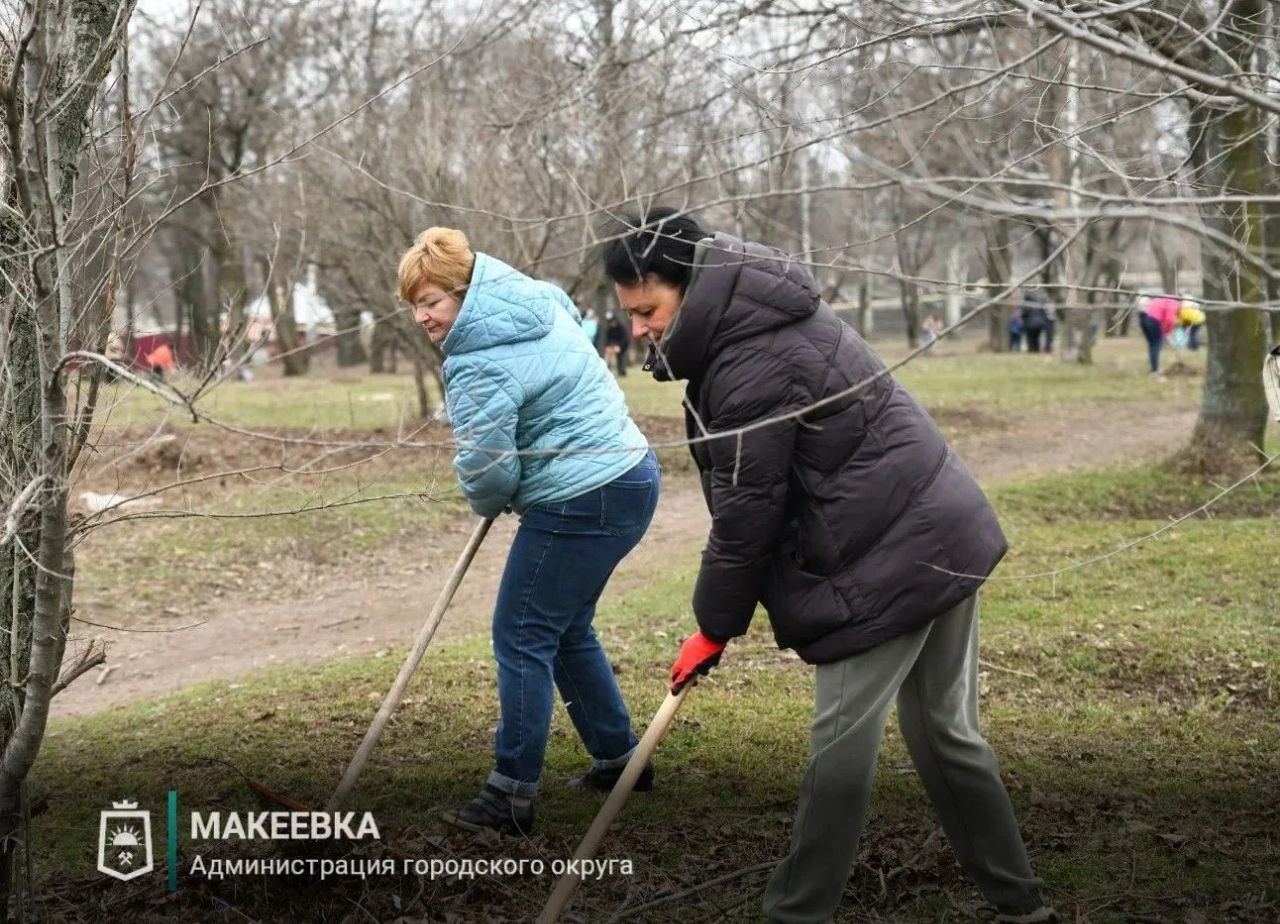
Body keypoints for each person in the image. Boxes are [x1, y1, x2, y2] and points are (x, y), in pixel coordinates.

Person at [603, 208, 1056, 924]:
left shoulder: (750, 360)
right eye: (629, 314)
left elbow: (749, 513)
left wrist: (711, 627)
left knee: (837, 756)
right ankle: (1021, 905)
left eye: (649, 310)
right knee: (947, 735)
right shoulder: (756, 318)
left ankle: (797, 912)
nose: (638, 329)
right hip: (939, 532)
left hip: (887, 561)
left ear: (691, 288)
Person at [397, 227, 660, 835]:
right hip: (631, 475)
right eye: (414, 303)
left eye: (432, 301)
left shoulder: (476, 361)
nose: (421, 317)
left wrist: (490, 492)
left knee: (521, 633)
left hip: (582, 496)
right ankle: (622, 761)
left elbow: (489, 469)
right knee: (562, 626)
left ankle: (509, 795)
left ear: (464, 293)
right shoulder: (537, 298)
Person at [1138, 292, 1180, 376]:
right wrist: (1167, 332)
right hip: (1153, 321)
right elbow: (1169, 319)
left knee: (1152, 345)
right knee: (1156, 345)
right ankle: (1155, 371)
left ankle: (1153, 368)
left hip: (1143, 319)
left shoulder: (1162, 299)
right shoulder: (1174, 303)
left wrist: (1165, 332)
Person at [1019, 290, 1050, 354]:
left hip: (1030, 325)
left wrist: (1022, 319)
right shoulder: (1037, 304)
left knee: (1030, 339)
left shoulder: (1026, 305)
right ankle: (1036, 351)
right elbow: (1044, 313)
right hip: (1039, 325)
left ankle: (1031, 351)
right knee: (1036, 338)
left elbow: (1024, 314)